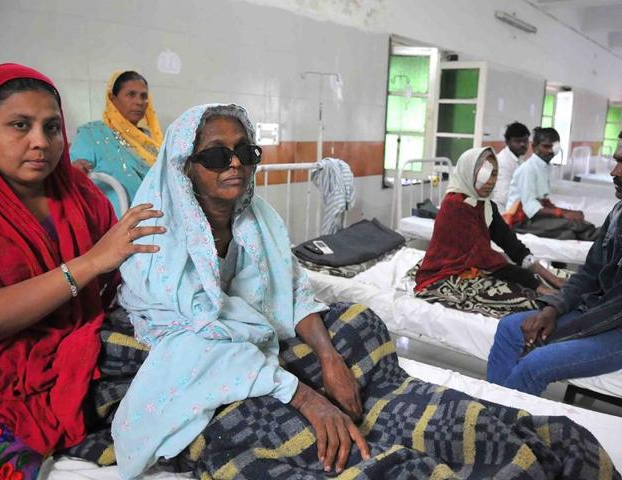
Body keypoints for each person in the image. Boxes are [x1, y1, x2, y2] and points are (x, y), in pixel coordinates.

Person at [112, 104, 617, 479]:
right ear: (183, 165)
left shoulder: (257, 215)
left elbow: (292, 293)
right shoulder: (157, 231)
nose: (236, 165)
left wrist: (328, 357)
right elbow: (200, 336)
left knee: (356, 322)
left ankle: (411, 410)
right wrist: (306, 395)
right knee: (291, 404)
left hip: (255, 339)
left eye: (245, 152)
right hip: (197, 353)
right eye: (216, 155)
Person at [0, 63, 164, 480]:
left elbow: (120, 281)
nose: (39, 142)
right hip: (0, 364)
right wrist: (90, 263)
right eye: (19, 125)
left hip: (87, 342)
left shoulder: (80, 194)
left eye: (51, 127)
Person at [487, 133, 622, 396]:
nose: (614, 172)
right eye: (616, 161)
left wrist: (565, 327)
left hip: (614, 328)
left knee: (535, 363)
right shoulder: (618, 213)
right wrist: (553, 309)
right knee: (508, 329)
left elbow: (616, 308)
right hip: (596, 310)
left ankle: (496, 428)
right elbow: (589, 272)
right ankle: (493, 417)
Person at [414, 147, 564, 318]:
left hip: (475, 266)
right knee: (529, 300)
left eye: (494, 174)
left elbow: (510, 244)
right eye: (484, 174)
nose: (490, 181)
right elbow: (484, 256)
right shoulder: (455, 205)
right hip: (446, 273)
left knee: (555, 283)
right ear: (468, 173)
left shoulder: (485, 204)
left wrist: (550, 276)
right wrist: (536, 284)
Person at [70, 70, 162, 214]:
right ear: (113, 100)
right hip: (113, 226)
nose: (139, 102)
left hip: (157, 219)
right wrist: (76, 167)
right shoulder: (93, 133)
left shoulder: (151, 142)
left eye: (143, 96)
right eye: (131, 94)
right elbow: (73, 172)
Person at [504, 127, 598, 240]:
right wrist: (562, 213)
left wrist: (568, 211)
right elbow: (530, 207)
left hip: (535, 217)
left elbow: (543, 201)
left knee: (572, 229)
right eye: (546, 146)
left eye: (553, 147)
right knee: (574, 225)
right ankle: (602, 236)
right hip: (521, 220)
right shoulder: (528, 169)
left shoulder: (544, 167)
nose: (550, 151)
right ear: (534, 147)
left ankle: (600, 236)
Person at [493, 121, 530, 210]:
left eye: (525, 140)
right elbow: (503, 196)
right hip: (502, 212)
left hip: (514, 209)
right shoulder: (503, 162)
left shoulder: (519, 159)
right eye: (517, 141)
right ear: (507, 142)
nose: (522, 144)